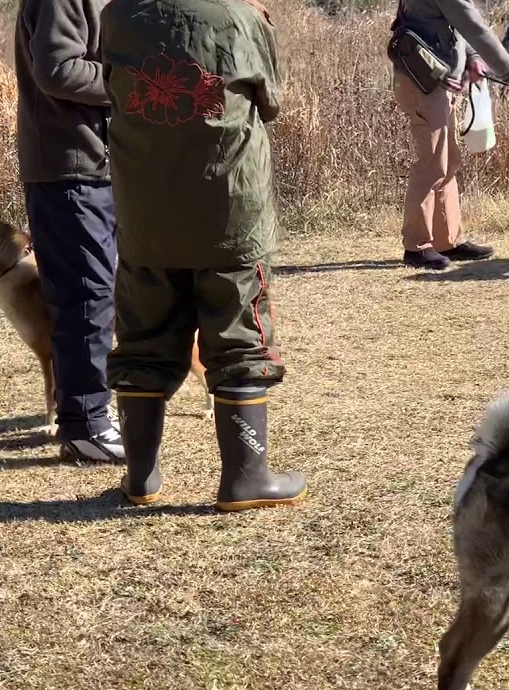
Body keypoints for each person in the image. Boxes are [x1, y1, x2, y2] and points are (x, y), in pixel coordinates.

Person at [98, 0, 306, 511]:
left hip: (145, 212)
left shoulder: (118, 15)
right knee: (238, 337)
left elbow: (112, 91)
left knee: (143, 338)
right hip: (226, 210)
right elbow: (271, 100)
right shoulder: (240, 17)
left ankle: (140, 478)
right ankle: (245, 475)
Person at [15, 0, 123, 463]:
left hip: (87, 166)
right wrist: (130, 84)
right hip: (70, 170)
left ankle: (87, 411)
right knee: (86, 294)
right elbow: (58, 70)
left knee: (93, 292)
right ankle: (86, 426)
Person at [389, 0, 509, 270]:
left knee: (448, 160)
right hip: (425, 86)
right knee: (432, 164)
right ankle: (417, 247)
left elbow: (455, 26)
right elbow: (473, 25)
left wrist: (473, 58)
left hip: (439, 84)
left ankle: (447, 241)